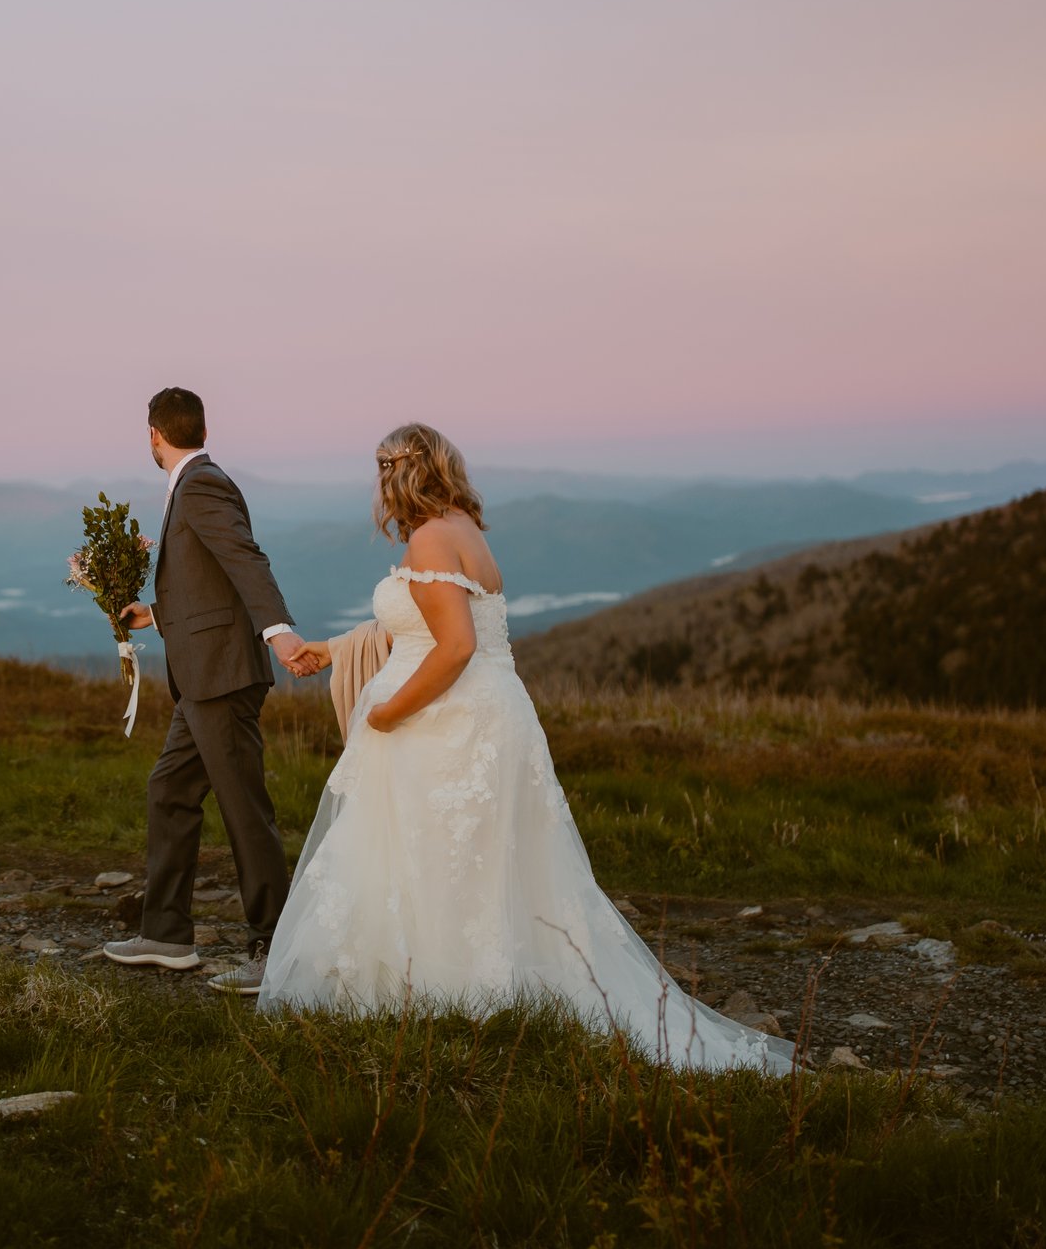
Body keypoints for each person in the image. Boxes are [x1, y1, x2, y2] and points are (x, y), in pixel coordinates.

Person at [260, 422, 795, 1073]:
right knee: (477, 856)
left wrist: (387, 712)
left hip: (444, 720)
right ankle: (468, 984)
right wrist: (340, 648)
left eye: (382, 470)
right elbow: (428, 625)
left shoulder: (430, 536)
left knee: (431, 850)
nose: (379, 486)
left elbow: (453, 647)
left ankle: (442, 987)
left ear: (401, 474)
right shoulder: (463, 528)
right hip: (490, 712)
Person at [100, 386, 317, 995]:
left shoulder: (200, 485)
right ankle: (167, 935)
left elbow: (245, 559)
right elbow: (208, 580)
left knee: (245, 809)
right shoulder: (196, 483)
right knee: (170, 789)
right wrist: (158, 613)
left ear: (154, 434)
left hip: (222, 676)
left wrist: (279, 632)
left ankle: (275, 949)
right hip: (202, 675)